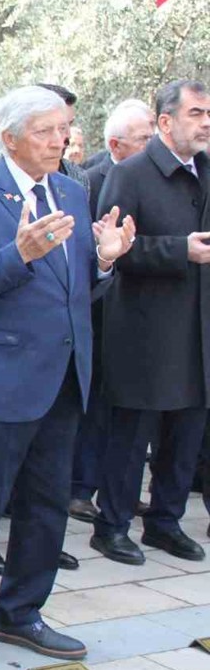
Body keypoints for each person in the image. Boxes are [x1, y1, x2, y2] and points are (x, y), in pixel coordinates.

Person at [0, 85, 134, 670]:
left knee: (47, 506)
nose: (59, 141)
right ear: (10, 137)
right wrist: (16, 256)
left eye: (63, 130)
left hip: (64, 378)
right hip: (0, 380)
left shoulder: (72, 189)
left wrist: (105, 259)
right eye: (45, 131)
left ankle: (21, 612)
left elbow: (74, 289)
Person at [91, 80, 210, 566]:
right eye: (196, 113)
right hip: (145, 329)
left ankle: (165, 521)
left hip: (198, 328)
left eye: (208, 114)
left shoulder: (206, 169)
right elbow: (111, 250)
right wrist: (178, 250)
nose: (206, 123)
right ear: (165, 121)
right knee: (131, 434)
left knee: (186, 431)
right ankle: (112, 526)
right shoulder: (131, 174)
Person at [68, 100, 155, 525]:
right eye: (144, 139)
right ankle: (81, 487)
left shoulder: (157, 178)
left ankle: (117, 487)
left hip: (141, 311)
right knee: (96, 405)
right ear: (116, 145)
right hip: (99, 309)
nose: (151, 145)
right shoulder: (89, 180)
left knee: (128, 409)